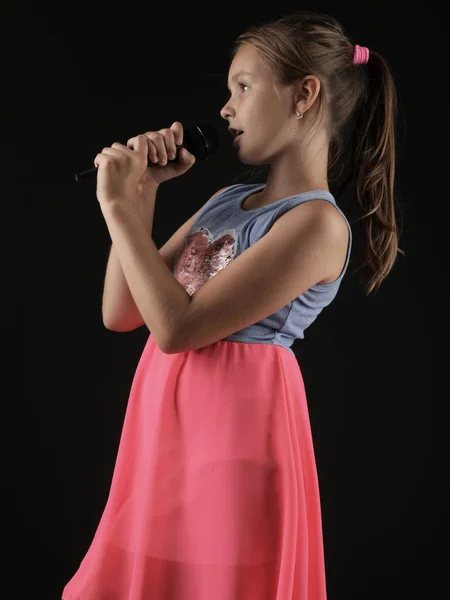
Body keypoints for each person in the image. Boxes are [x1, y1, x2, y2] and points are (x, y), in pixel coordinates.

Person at [62, 9, 399, 600]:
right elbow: (124, 311)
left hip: (234, 448)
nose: (225, 108)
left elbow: (177, 326)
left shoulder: (317, 224)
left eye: (243, 87)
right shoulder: (226, 201)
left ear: (305, 95)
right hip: (166, 443)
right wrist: (139, 196)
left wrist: (115, 208)